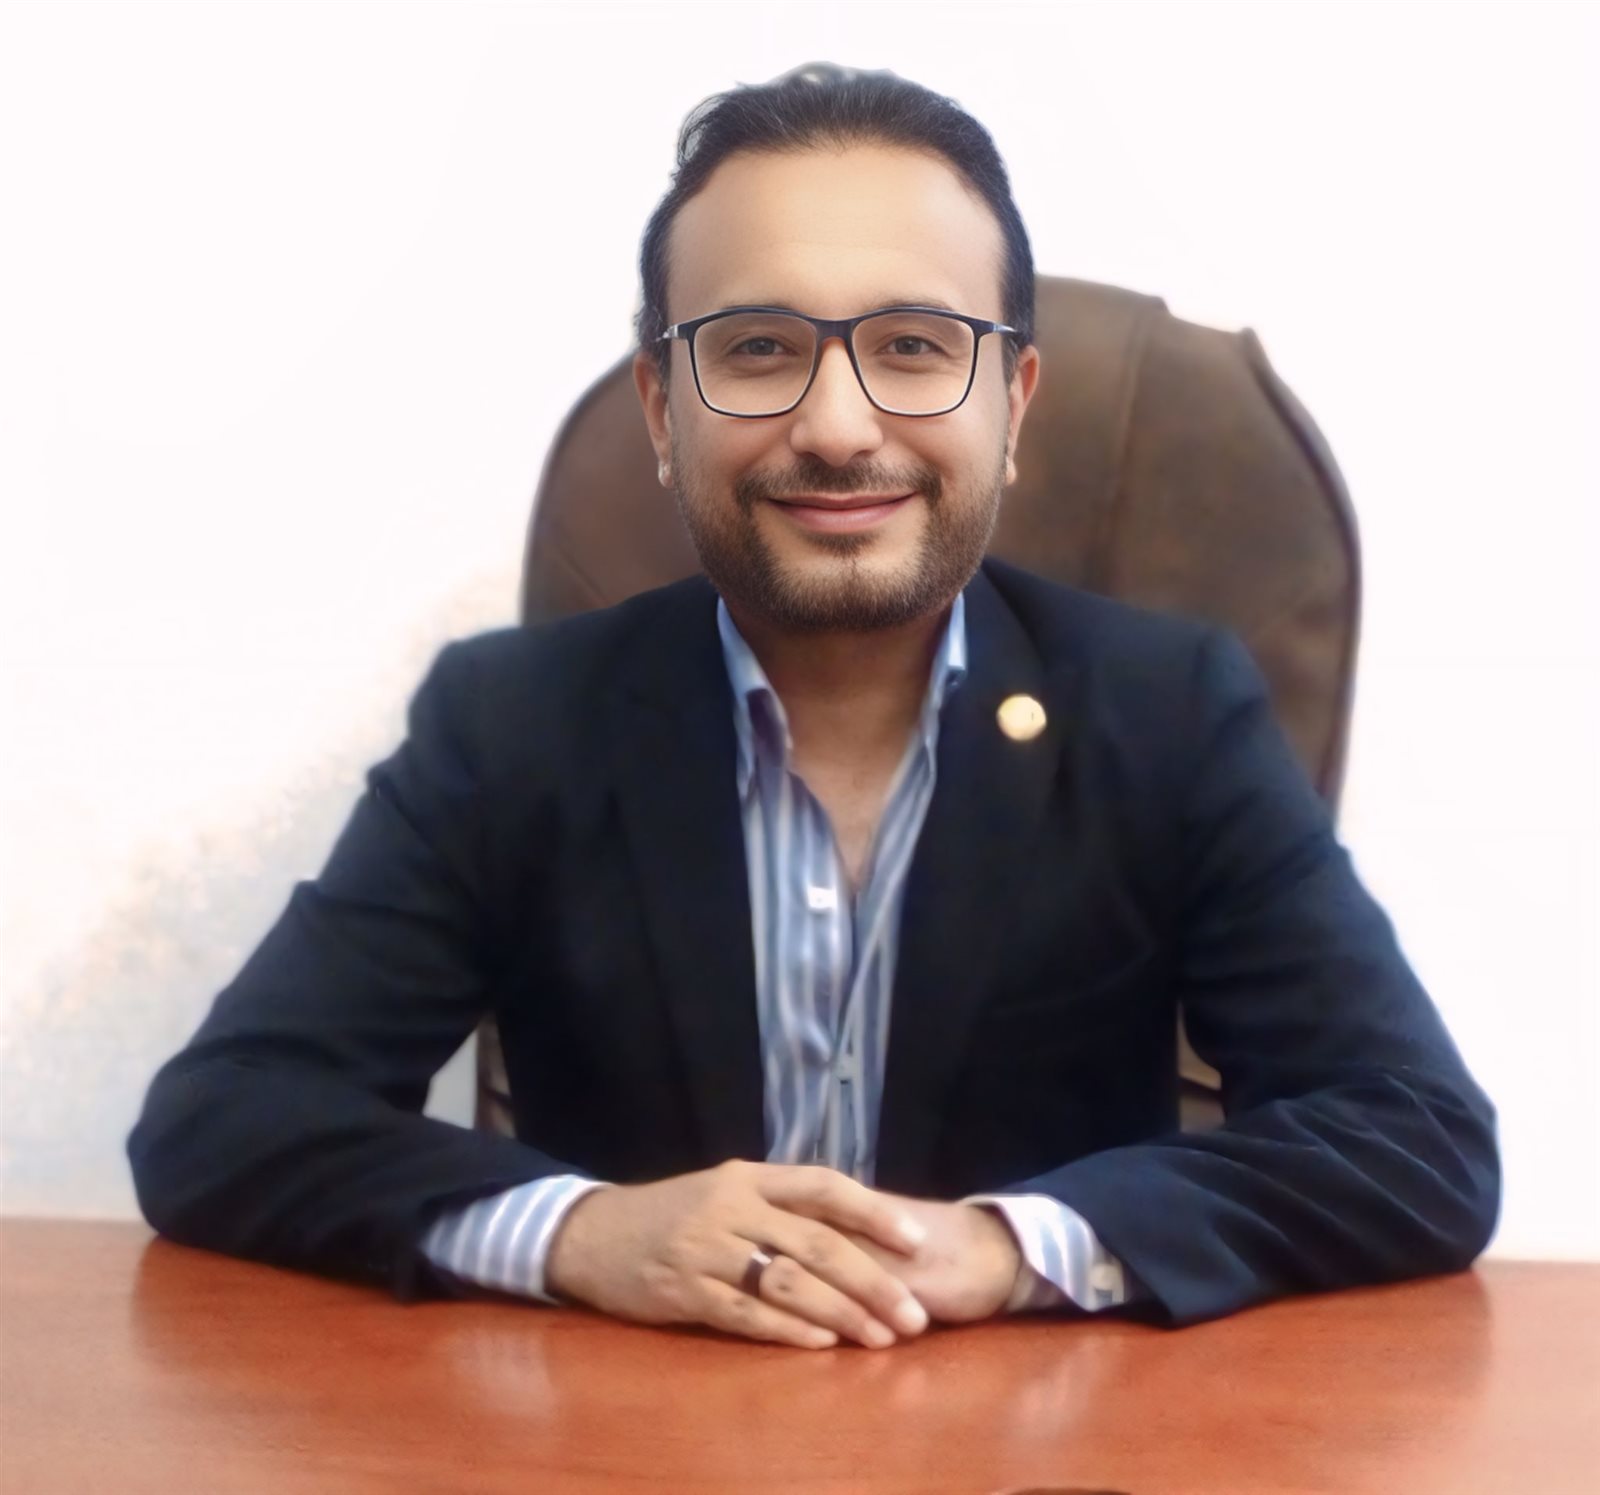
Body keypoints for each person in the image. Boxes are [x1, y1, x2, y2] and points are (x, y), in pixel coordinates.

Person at [127, 63, 1500, 1352]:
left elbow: (1416, 1138)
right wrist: (584, 1234)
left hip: (1035, 1441)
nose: (839, 426)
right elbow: (224, 1120)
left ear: (1014, 403)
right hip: (631, 1438)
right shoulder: (513, 725)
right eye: (757, 348)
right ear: (662, 407)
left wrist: (1008, 1247)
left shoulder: (1170, 714)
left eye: (914, 346)